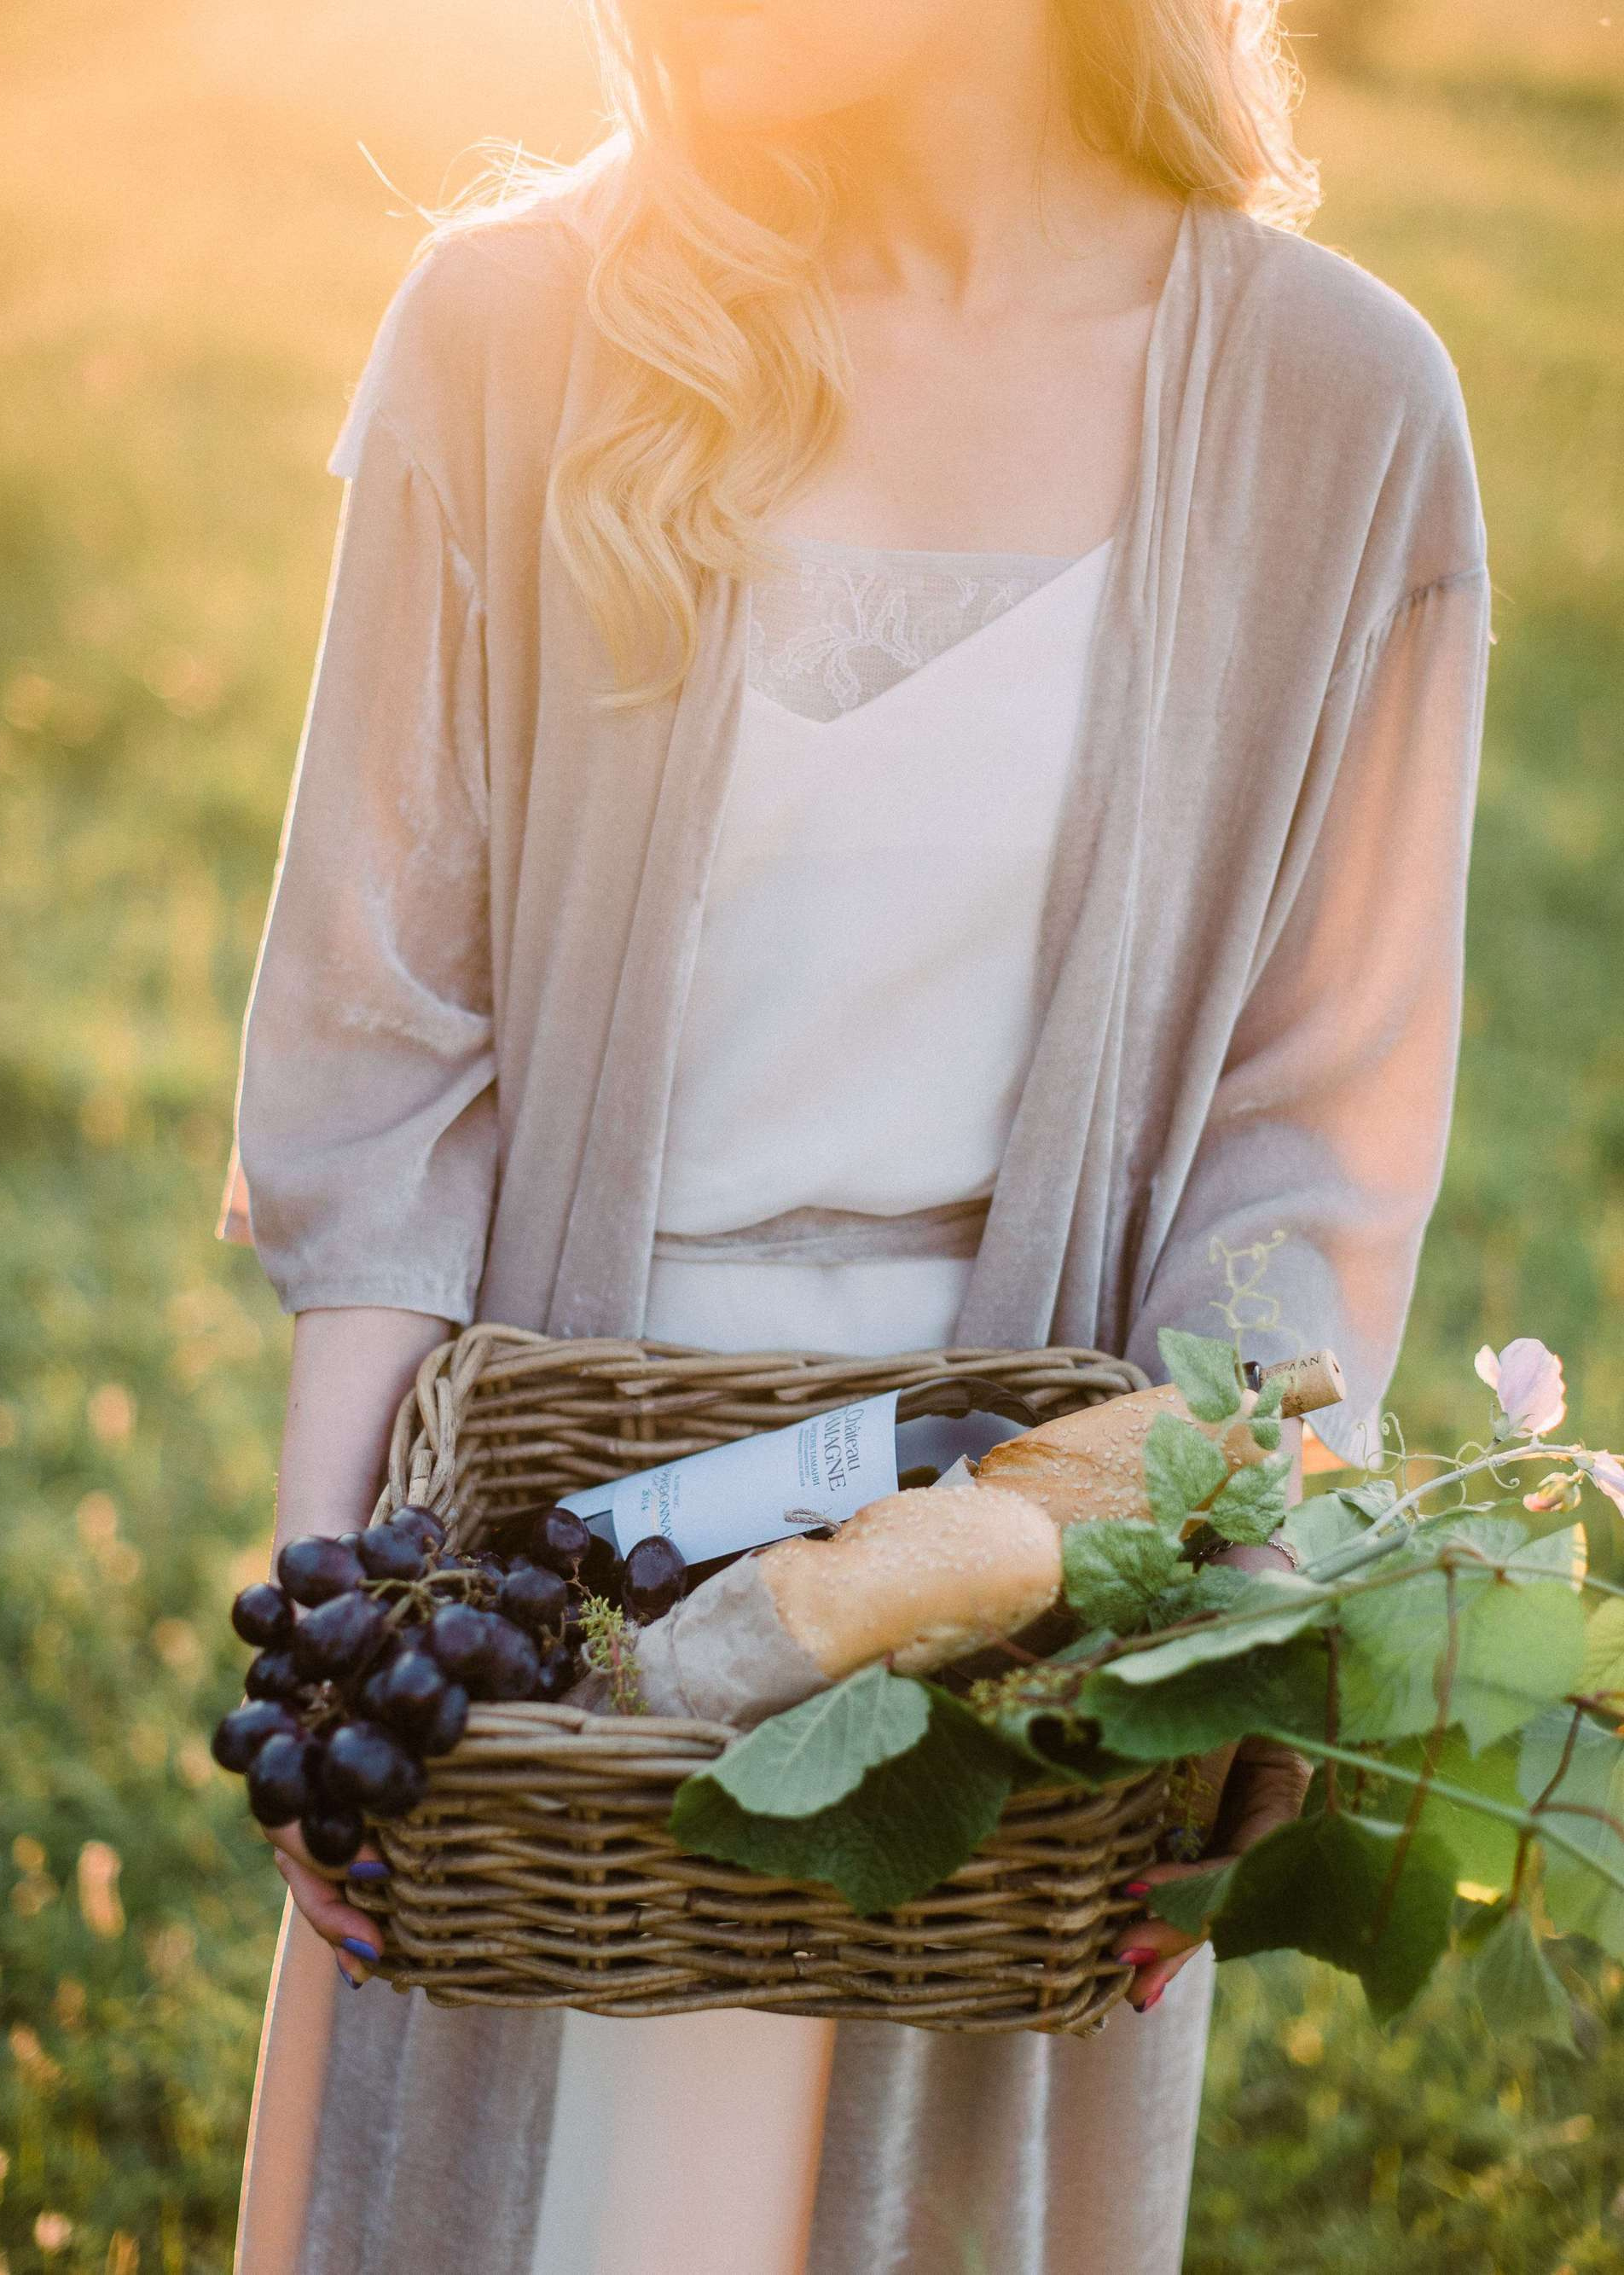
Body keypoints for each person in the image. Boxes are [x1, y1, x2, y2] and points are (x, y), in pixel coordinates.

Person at [216, 0, 1490, 2267]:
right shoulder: (508, 329)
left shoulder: (1340, 410)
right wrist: (340, 1644)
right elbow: (388, 1056)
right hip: (548, 1604)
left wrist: (1211, 1637)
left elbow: (1309, 1150)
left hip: (1000, 1625)